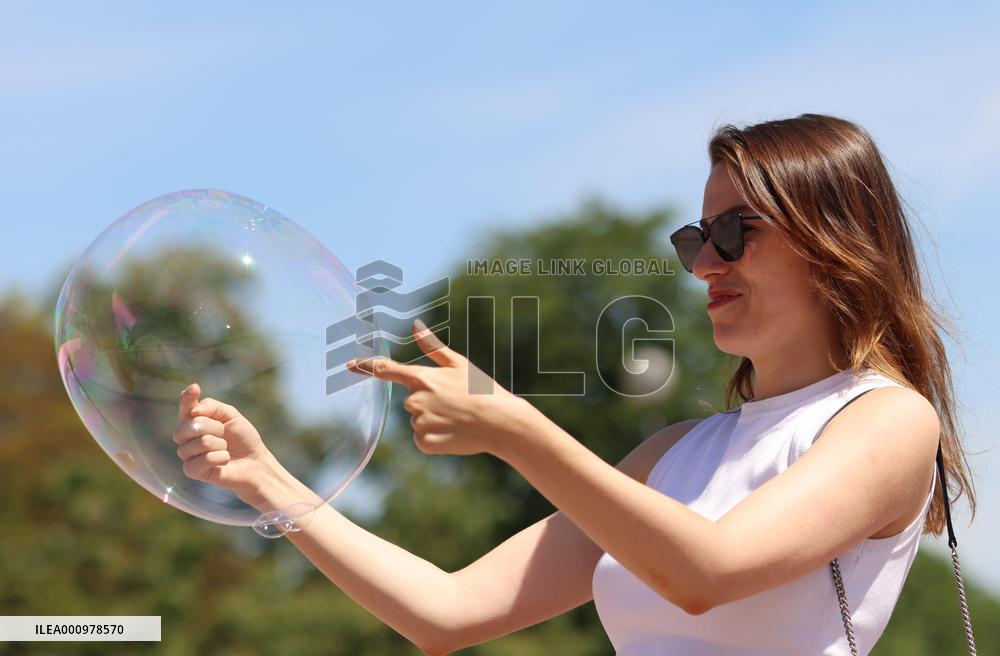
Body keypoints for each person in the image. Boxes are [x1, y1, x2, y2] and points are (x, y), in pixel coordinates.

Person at [171, 113, 975, 655]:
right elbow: (446, 614)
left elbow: (706, 573)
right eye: (697, 235)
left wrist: (514, 428)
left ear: (833, 243)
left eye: (735, 232)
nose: (703, 264)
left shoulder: (888, 421)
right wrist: (268, 482)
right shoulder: (673, 454)